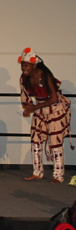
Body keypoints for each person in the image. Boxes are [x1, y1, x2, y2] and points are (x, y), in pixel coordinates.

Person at [19, 47, 71, 183]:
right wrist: (27, 107)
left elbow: (54, 98)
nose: (24, 68)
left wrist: (35, 107)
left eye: (26, 65)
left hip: (54, 110)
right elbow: (25, 97)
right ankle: (37, 172)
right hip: (40, 110)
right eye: (22, 65)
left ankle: (58, 175)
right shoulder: (24, 78)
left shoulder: (45, 75)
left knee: (55, 143)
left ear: (34, 65)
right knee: (35, 141)